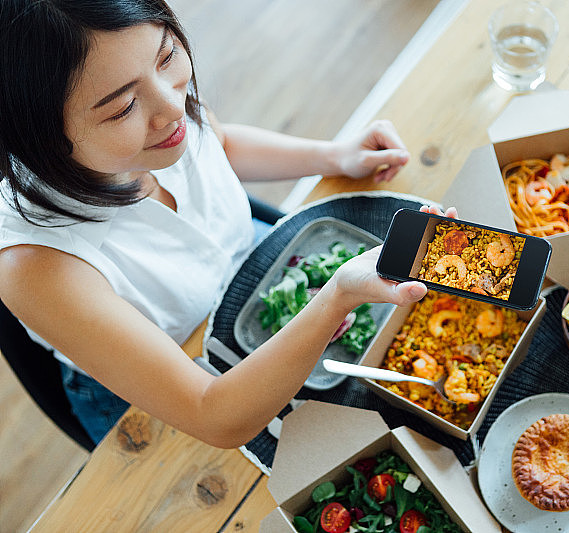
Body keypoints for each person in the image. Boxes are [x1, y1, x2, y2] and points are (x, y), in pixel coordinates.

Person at [0, 0, 455, 448]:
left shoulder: (151, 99)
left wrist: (334, 156)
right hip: (165, 390)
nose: (174, 107)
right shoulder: (34, 264)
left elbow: (220, 144)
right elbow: (213, 414)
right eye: (121, 109)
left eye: (167, 55)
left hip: (250, 282)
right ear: (38, 139)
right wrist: (337, 296)